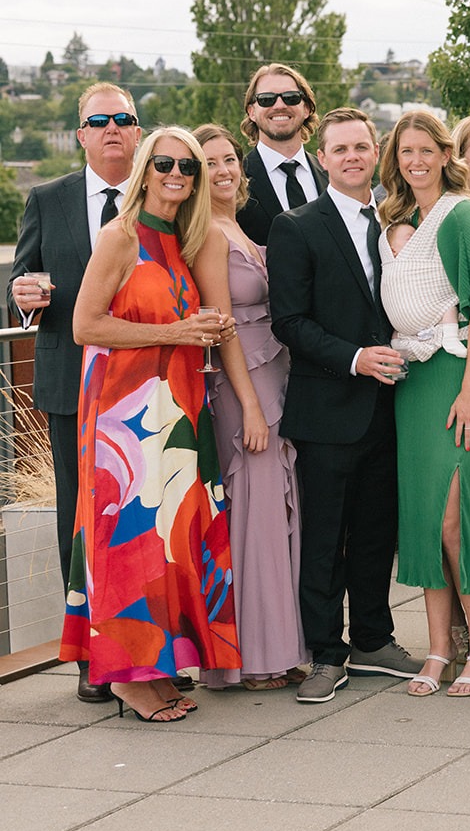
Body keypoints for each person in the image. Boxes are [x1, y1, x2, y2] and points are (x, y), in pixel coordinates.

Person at [62, 127, 239, 721]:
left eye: (187, 167)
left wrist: (210, 330)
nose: (177, 174)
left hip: (179, 408)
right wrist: (174, 333)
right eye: (164, 163)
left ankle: (158, 666)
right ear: (144, 168)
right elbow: (86, 327)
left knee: (169, 538)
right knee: (126, 536)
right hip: (123, 413)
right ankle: (124, 676)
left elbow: (189, 321)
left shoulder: (182, 241)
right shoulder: (119, 236)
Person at [270, 107, 421, 702]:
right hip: (328, 408)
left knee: (376, 532)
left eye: (363, 146)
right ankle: (326, 654)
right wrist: (356, 357)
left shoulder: (398, 222)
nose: (354, 157)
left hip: (392, 406)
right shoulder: (296, 226)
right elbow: (289, 321)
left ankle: (374, 639)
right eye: (341, 149)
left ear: (375, 151)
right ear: (322, 158)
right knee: (325, 538)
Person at [9, 81, 138, 703]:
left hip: (146, 385)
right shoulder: (47, 198)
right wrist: (22, 296)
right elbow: (22, 276)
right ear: (81, 134)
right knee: (80, 516)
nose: (113, 129)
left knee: (143, 515)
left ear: (137, 130)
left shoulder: (161, 190)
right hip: (71, 384)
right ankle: (89, 653)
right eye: (100, 121)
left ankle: (144, 645)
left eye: (124, 118)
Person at [376, 110, 470, 697]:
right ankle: (437, 648)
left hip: (460, 374)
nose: (416, 161)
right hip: (413, 380)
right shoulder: (401, 220)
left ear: (444, 153)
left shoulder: (464, 214)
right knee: (425, 517)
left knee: (458, 515)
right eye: (406, 152)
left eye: (426, 149)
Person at [194, 123, 308, 690]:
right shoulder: (208, 236)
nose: (223, 170)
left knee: (278, 512)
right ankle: (254, 658)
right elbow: (223, 331)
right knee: (256, 517)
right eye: (209, 162)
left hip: (277, 373)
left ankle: (281, 647)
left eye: (229, 160)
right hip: (244, 389)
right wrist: (252, 408)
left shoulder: (235, 225)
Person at [237, 63, 328, 246]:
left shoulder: (331, 174)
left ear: (307, 108)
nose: (279, 105)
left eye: (291, 97)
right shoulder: (235, 179)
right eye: (266, 99)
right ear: (252, 112)